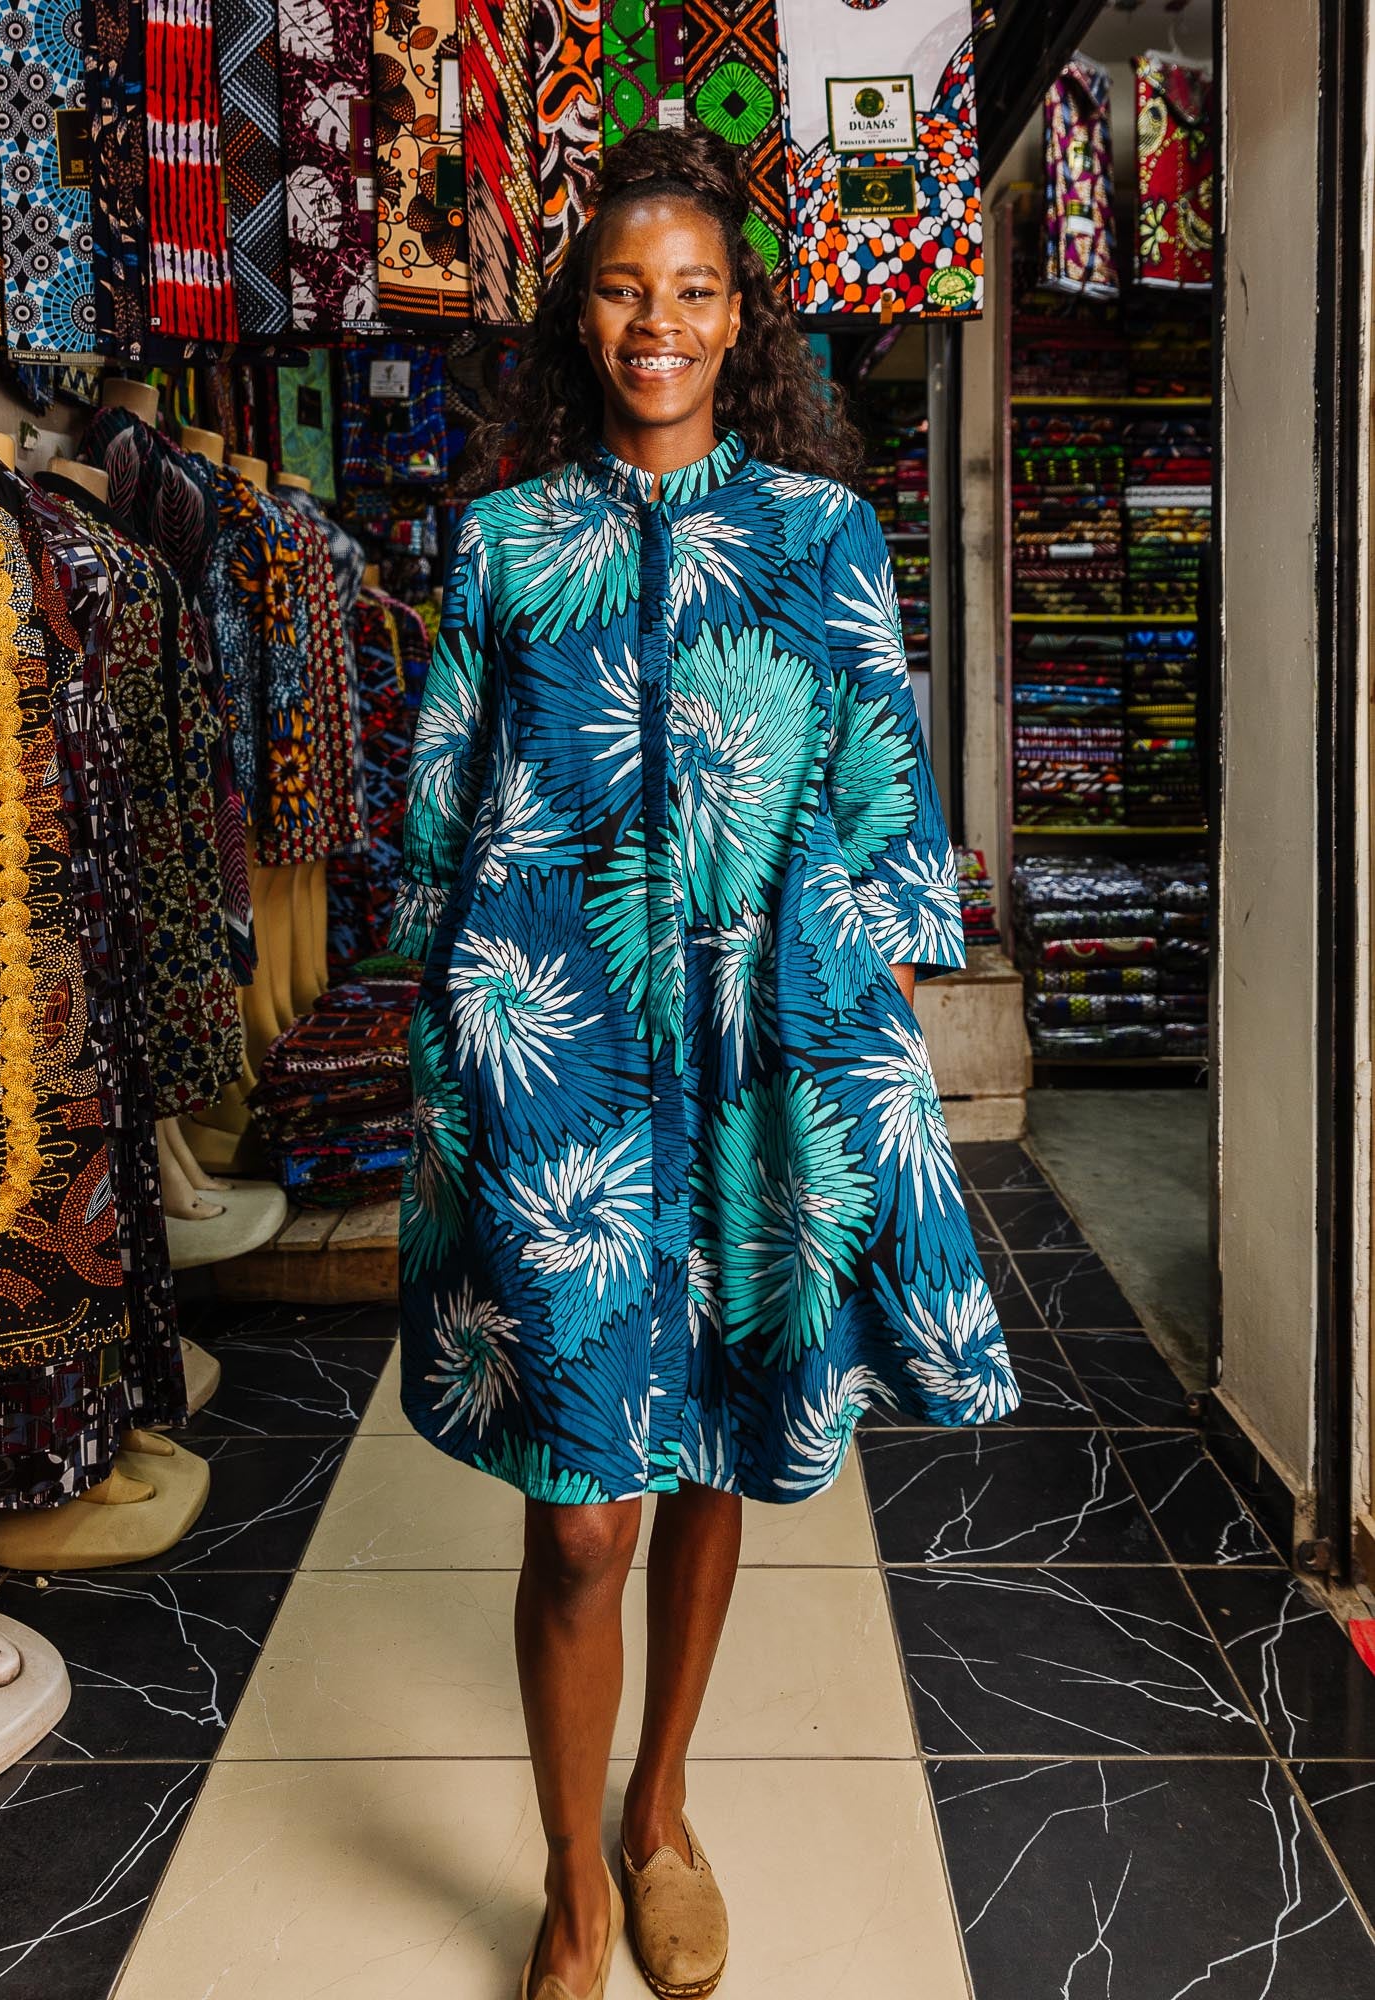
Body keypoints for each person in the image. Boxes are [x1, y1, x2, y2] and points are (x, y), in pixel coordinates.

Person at [391, 128, 1019, 2000]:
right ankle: (568, 1891)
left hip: (764, 1049)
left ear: (739, 322)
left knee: (722, 1439)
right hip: (556, 1052)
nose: (654, 323)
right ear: (576, 320)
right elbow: (435, 819)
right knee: (580, 1511)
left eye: (691, 294)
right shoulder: (501, 545)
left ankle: (657, 1811)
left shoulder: (822, 536)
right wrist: (451, 1062)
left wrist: (875, 1055)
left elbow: (881, 799)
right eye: (618, 289)